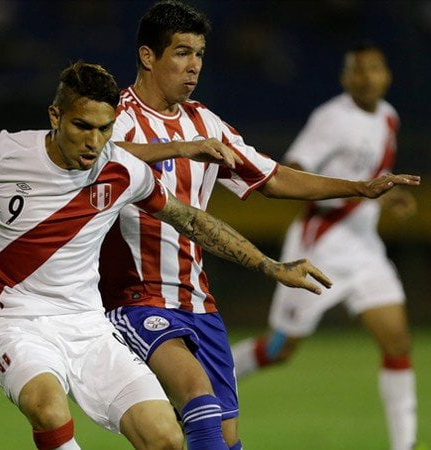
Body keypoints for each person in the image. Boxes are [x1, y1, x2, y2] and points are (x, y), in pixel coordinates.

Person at [0, 61, 336, 450]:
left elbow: (193, 221)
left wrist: (272, 266)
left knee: (164, 437)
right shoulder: (2, 154)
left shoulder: (120, 169)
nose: (94, 141)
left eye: (105, 129)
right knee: (48, 407)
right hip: (15, 321)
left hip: (89, 326)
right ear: (54, 117)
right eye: (82, 126)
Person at [97, 3, 421, 449]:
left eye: (200, 54)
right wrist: (183, 148)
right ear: (148, 56)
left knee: (228, 440)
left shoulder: (204, 121)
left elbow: (274, 177)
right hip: (136, 298)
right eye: (181, 53)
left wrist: (359, 188)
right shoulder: (115, 116)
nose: (194, 67)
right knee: (199, 402)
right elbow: (95, 159)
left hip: (197, 302)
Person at [232, 43, 422, 450]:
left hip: (365, 250)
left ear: (386, 75)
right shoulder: (331, 118)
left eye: (375, 69)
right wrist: (350, 193)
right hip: (319, 247)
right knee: (281, 348)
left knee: (398, 342)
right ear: (346, 78)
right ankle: (204, 383)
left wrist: (387, 195)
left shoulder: (389, 117)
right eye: (359, 70)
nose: (367, 77)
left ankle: (404, 446)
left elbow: (372, 173)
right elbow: (294, 169)